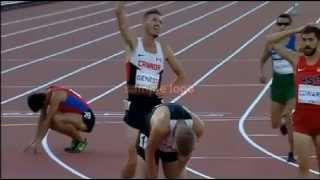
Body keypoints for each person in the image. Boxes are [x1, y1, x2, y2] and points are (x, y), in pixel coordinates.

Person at [115, 2, 186, 178]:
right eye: (154, 20)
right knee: (133, 161)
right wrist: (120, 6)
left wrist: (168, 88)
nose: (158, 23)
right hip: (135, 109)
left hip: (155, 111)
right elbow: (121, 19)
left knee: (151, 159)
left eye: (161, 22)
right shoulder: (134, 45)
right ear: (144, 23)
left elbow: (182, 75)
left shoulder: (164, 50)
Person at [266, 24, 320, 178]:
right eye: (304, 40)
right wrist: (295, 30)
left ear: (318, 41)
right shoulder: (296, 59)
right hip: (302, 123)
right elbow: (270, 40)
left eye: (311, 40)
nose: (307, 43)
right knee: (303, 168)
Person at [259, 13, 296, 162]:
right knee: (275, 124)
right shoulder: (271, 42)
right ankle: (281, 123)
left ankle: (291, 153)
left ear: (290, 25)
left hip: (292, 83)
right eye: (279, 24)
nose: (282, 26)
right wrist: (260, 72)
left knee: (289, 117)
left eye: (285, 24)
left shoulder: (296, 41)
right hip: (277, 85)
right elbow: (262, 59)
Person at [135, 103, 205, 178]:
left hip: (172, 136)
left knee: (176, 176)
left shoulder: (198, 128)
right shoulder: (161, 127)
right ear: (174, 142)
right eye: (173, 149)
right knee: (146, 176)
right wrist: (153, 176)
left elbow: (185, 157)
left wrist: (177, 171)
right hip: (150, 137)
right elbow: (149, 151)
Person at [24, 85, 95, 154]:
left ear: (43, 102)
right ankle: (76, 139)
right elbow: (42, 118)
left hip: (87, 117)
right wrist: (36, 139)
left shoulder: (56, 96)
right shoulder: (46, 96)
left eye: (42, 107)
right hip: (76, 116)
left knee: (55, 119)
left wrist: (39, 140)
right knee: (52, 121)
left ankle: (81, 141)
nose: (44, 107)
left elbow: (48, 119)